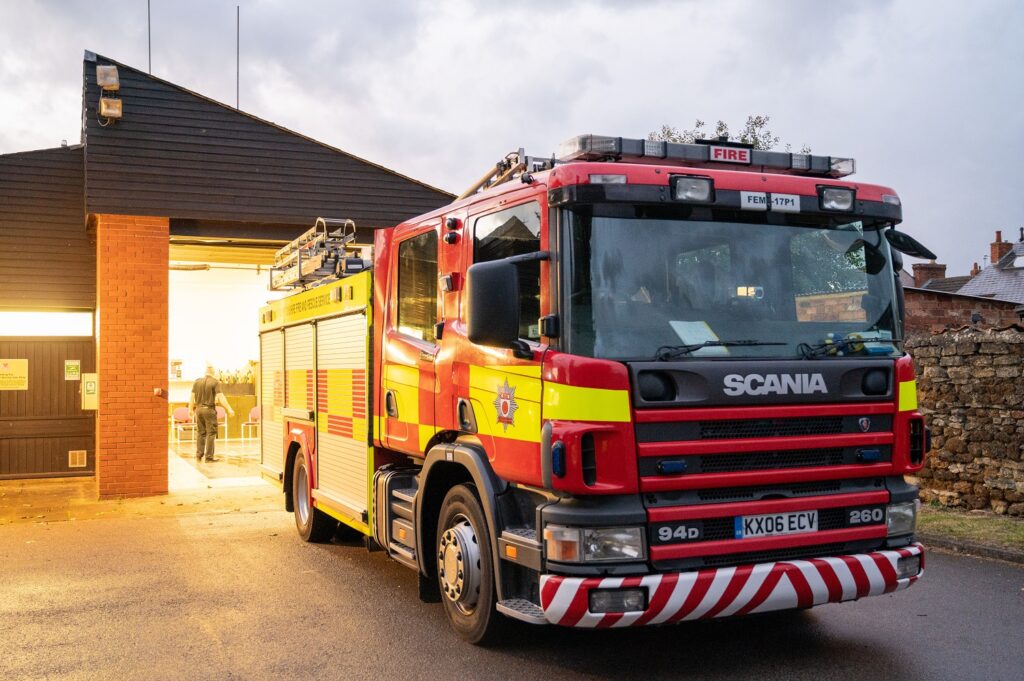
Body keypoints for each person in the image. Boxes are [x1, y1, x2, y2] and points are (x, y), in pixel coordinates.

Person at [188, 363, 235, 462]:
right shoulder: (215, 382)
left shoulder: (197, 382)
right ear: (213, 373)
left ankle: (199, 455)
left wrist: (190, 409)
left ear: (205, 372)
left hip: (198, 410)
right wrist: (229, 409)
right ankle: (209, 457)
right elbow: (221, 397)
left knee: (201, 432)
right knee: (211, 433)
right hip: (209, 410)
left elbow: (192, 397)